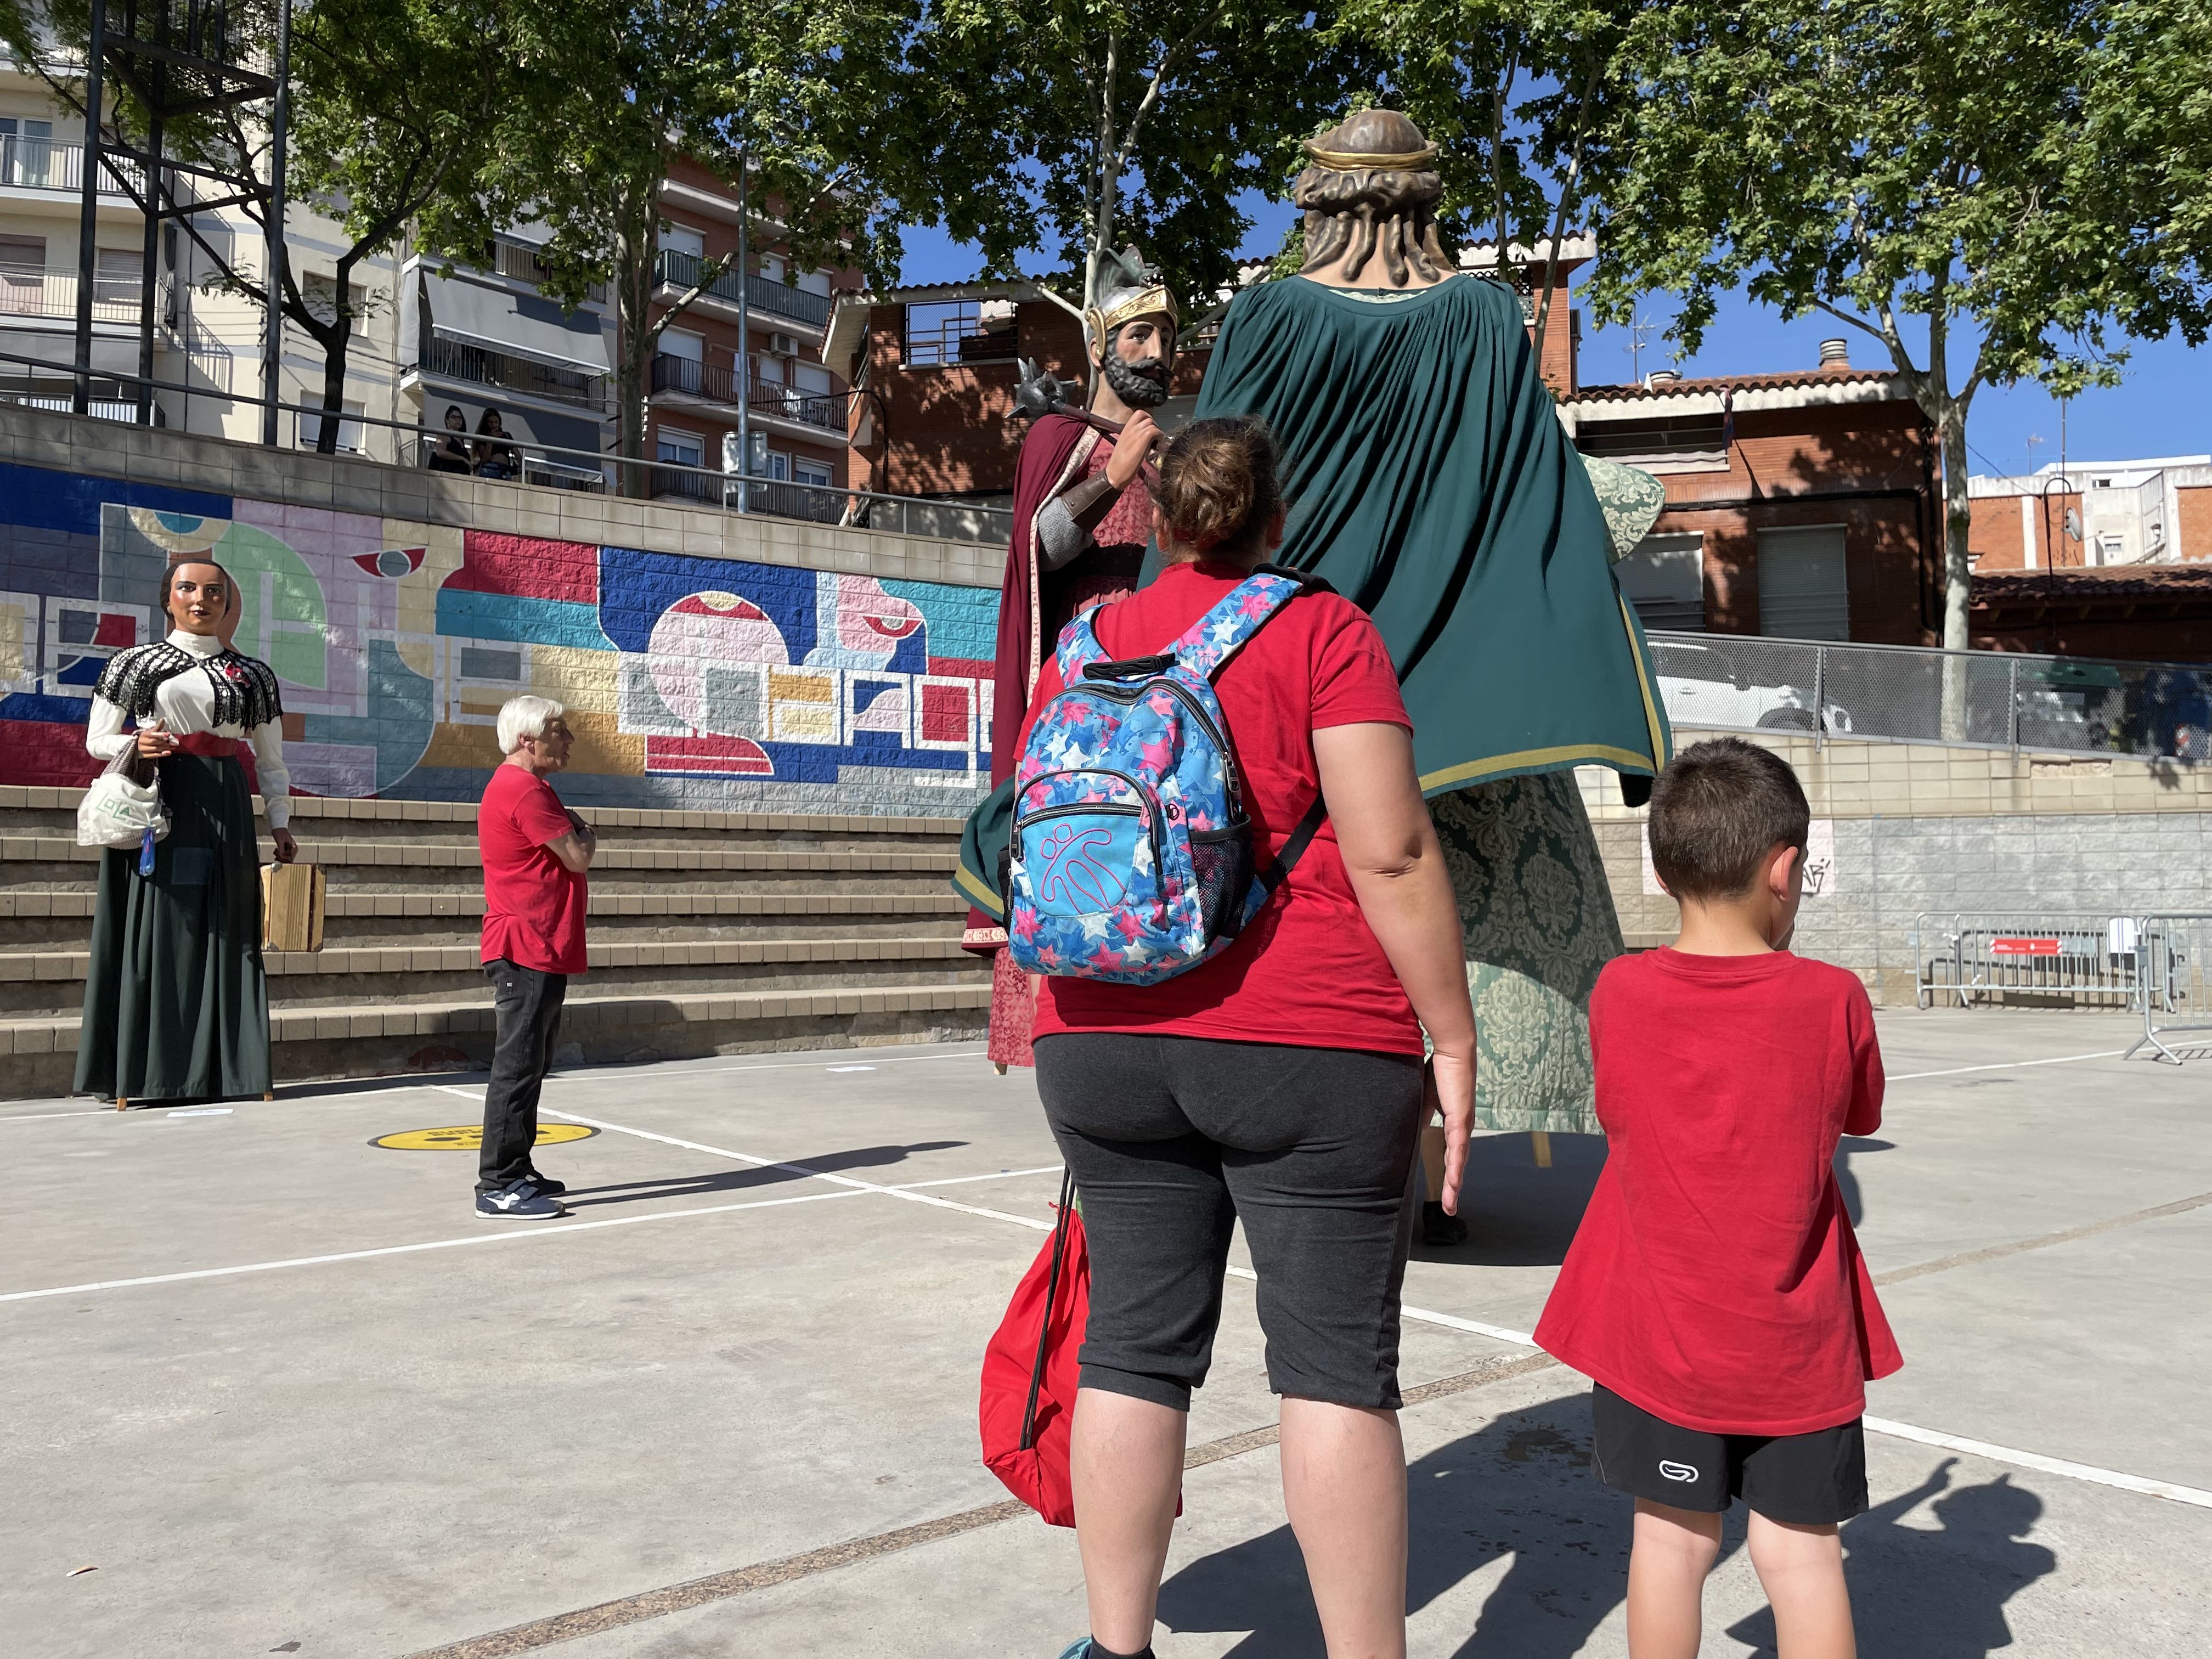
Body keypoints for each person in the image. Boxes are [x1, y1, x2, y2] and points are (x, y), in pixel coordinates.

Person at [1028, 419, 1478, 1659]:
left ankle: (1114, 1649)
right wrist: (1452, 1034)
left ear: (1158, 519)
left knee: (1130, 1347)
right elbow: (1389, 850)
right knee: (1334, 1372)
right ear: (1276, 520)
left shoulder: (1082, 644)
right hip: (1310, 1041)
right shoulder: (1325, 631)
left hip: (1101, 1032)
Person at [1183, 109, 1672, 1239]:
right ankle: (1436, 1165)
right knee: (1465, 924)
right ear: (1424, 201)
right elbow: (1535, 490)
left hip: (1293, 665)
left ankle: (1312, 1156)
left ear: (1317, 198)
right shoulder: (1486, 318)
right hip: (1461, 690)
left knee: (1302, 903)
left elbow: (1218, 493)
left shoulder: (1267, 315)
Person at [1533, 737, 1900, 1659]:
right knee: (1802, 1552)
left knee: (1669, 1539)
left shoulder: (1618, 989)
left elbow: (1618, 1105)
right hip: (1795, 1345)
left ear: (1661, 869)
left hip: (1661, 1330)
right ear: (1786, 870)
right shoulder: (1832, 997)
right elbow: (1860, 1107)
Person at [970, 245, 1179, 1074]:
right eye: (1140, 338)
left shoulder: (1169, 451)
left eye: (1167, 337)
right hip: (1084, 677)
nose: (1159, 353)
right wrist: (1112, 475)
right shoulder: (1062, 435)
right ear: (1099, 345)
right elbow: (1038, 551)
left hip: (1164, 676)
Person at [76, 559, 298, 1107]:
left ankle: (230, 1071)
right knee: (162, 923)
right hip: (158, 798)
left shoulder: (254, 675)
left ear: (228, 602)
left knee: (230, 925)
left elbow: (270, 760)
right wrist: (136, 745)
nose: (202, 598)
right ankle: (146, 1072)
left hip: (224, 799)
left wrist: (281, 821)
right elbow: (97, 741)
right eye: (188, 589)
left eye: (214, 590)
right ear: (168, 599)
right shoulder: (134, 664)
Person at [474, 696, 595, 1221]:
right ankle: (497, 1184)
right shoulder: (525, 790)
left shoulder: (527, 788)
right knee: (518, 1067)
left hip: (539, 945)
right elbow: (578, 856)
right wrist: (585, 830)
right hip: (526, 945)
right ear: (528, 739)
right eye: (558, 730)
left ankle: (518, 1168)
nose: (567, 739)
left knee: (533, 1063)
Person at [473, 408, 518, 481]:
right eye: (490, 422)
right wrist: (490, 440)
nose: (494, 425)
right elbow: (484, 459)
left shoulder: (506, 436)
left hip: (506, 469)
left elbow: (517, 454)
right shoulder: (482, 436)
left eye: (496, 422)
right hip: (490, 468)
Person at [427, 405, 473, 475]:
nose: (458, 420)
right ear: (447, 420)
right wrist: (462, 459)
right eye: (454, 417)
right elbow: (440, 452)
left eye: (460, 417)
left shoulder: (461, 440)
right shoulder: (443, 435)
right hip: (447, 475)